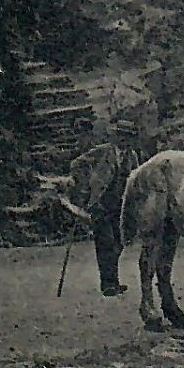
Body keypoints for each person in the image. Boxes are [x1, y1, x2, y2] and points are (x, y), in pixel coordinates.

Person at [68, 120, 144, 298]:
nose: (125, 140)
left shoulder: (132, 156)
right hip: (101, 205)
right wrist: (85, 185)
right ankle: (108, 284)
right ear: (116, 136)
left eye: (129, 137)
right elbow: (76, 164)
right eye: (122, 136)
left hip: (121, 207)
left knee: (118, 244)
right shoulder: (102, 151)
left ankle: (113, 282)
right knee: (105, 244)